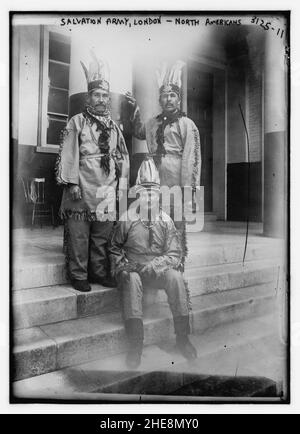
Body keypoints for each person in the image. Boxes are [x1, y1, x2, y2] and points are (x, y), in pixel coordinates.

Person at [108, 157, 197, 369]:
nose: (148, 199)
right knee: (131, 280)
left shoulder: (165, 220)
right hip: (135, 270)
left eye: (153, 194)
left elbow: (175, 252)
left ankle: (183, 338)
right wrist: (124, 265)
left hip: (157, 269)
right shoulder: (127, 219)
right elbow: (114, 247)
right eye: (144, 194)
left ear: (159, 196)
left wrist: (156, 265)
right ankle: (135, 345)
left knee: (175, 278)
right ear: (137, 195)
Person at [56, 52, 129, 292]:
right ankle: (79, 275)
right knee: (79, 234)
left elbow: (122, 155)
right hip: (82, 185)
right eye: (96, 95)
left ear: (108, 99)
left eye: (104, 96)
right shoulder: (77, 121)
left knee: (102, 235)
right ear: (88, 97)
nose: (101, 99)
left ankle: (98, 272)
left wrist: (120, 182)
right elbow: (69, 153)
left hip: (106, 186)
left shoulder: (114, 126)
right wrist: (72, 183)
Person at [125, 61, 201, 264]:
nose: (168, 99)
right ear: (159, 99)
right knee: (155, 219)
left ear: (178, 99)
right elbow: (139, 131)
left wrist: (188, 191)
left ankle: (176, 262)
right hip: (154, 180)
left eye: (173, 95)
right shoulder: (153, 123)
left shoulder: (187, 125)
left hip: (176, 179)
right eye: (165, 95)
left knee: (176, 222)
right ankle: (156, 261)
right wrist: (134, 109)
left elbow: (191, 160)